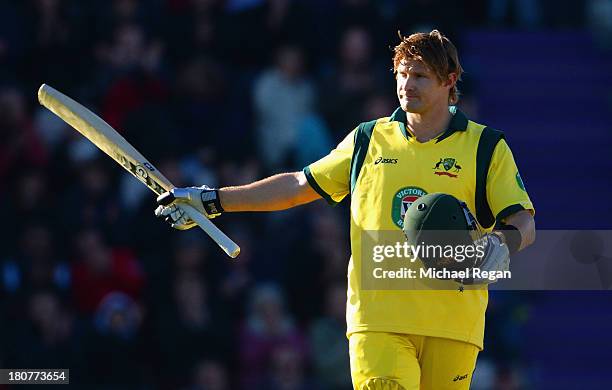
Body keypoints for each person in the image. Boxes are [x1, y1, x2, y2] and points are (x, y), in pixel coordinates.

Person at [154, 29, 536, 390]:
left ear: (450, 80)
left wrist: (496, 247)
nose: (406, 85)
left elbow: (523, 221)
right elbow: (298, 186)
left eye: (420, 76)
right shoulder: (368, 139)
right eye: (402, 74)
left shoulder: (486, 147)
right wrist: (214, 200)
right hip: (378, 321)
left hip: (455, 323)